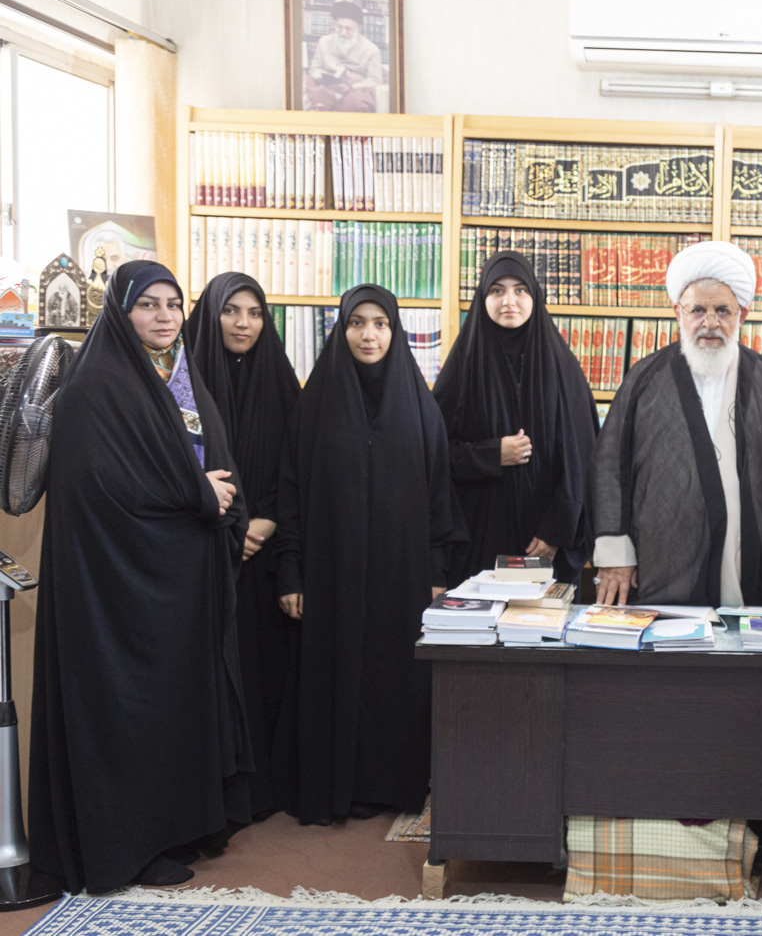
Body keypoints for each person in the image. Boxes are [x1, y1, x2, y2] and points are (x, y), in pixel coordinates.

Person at [30, 260, 252, 892]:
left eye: (173, 304)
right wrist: (197, 493)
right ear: (120, 312)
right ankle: (124, 848)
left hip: (177, 580)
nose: (164, 316)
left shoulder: (177, 373)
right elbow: (97, 487)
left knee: (172, 709)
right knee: (127, 711)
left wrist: (220, 498)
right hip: (118, 588)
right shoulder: (96, 384)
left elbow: (208, 452)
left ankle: (173, 827)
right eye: (148, 304)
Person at [276, 285, 460, 824]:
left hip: (402, 573)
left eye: (381, 323)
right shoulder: (314, 404)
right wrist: (291, 570)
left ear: (395, 332)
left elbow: (439, 496)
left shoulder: (420, 406)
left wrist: (436, 572)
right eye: (357, 322)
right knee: (335, 673)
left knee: (394, 676)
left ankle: (390, 785)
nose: (369, 335)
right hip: (330, 569)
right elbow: (291, 492)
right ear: (341, 329)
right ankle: (338, 786)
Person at [592, 241, 762, 607]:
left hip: (752, 560)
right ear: (678, 313)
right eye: (698, 310)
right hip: (664, 561)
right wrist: (616, 556)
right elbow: (609, 469)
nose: (710, 323)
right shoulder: (646, 379)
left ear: (742, 314)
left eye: (723, 310)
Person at [185, 272, 301, 818]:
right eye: (231, 311)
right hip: (206, 548)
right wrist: (234, 525)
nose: (243, 323)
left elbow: (300, 462)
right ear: (211, 315)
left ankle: (264, 790)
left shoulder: (281, 381)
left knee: (266, 667)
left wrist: (267, 521)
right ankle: (217, 795)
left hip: (265, 552)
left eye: (255, 313)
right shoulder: (181, 383)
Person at [436, 251, 598, 586]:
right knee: (479, 616)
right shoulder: (464, 366)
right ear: (483, 298)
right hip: (479, 534)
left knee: (537, 617)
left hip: (544, 540)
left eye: (520, 289)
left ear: (534, 296)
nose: (509, 301)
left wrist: (557, 529)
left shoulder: (562, 367)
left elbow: (583, 454)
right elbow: (435, 453)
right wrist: (491, 455)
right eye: (497, 290)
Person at [304, 1, 382, 113]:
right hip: (327, 86)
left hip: (356, 89)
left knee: (355, 102)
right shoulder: (324, 42)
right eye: (339, 27)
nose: (343, 33)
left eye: (348, 29)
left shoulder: (372, 49)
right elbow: (314, 69)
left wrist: (352, 86)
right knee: (315, 95)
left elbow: (375, 80)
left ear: (359, 28)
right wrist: (325, 78)